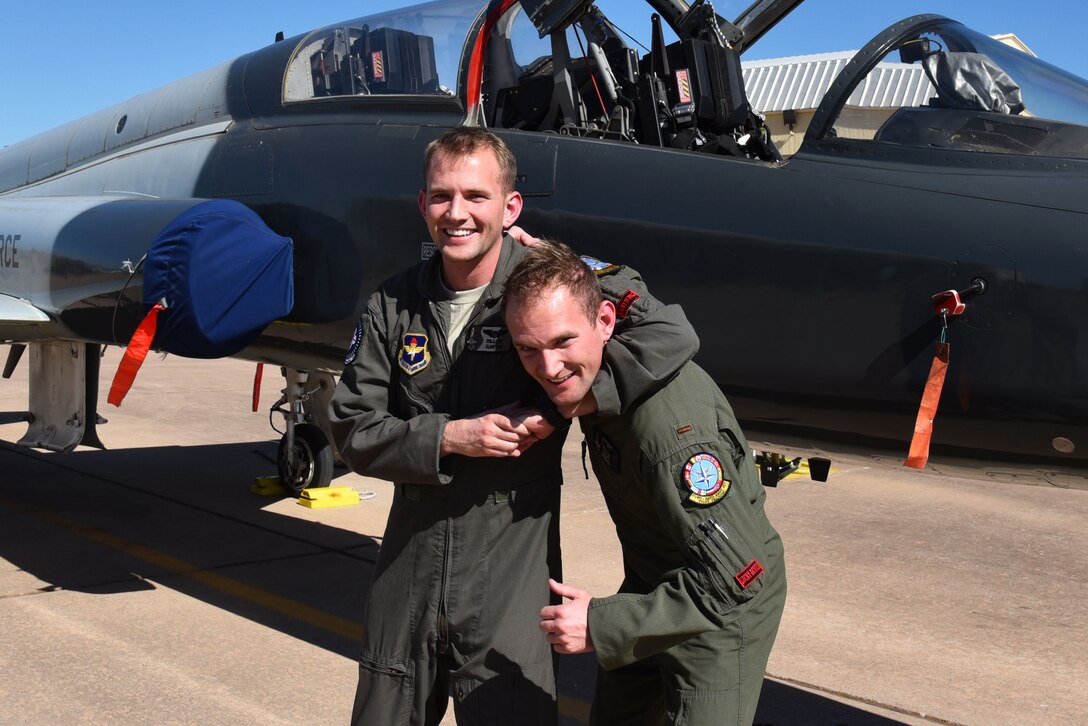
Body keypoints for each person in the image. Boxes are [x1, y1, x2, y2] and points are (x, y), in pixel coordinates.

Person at [328, 127, 698, 725]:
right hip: (409, 566)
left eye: (476, 196)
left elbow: (668, 333)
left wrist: (563, 408)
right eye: (441, 197)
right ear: (422, 206)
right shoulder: (392, 305)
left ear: (510, 205)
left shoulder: (543, 284)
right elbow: (351, 425)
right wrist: (451, 437)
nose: (457, 214)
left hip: (510, 569)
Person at [502, 240, 787, 726]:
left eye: (563, 342)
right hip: (653, 584)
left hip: (717, 612)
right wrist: (555, 253)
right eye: (528, 349)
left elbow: (741, 574)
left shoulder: (671, 436)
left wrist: (600, 623)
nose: (548, 370)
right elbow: (623, 279)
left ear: (606, 323)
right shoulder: (610, 361)